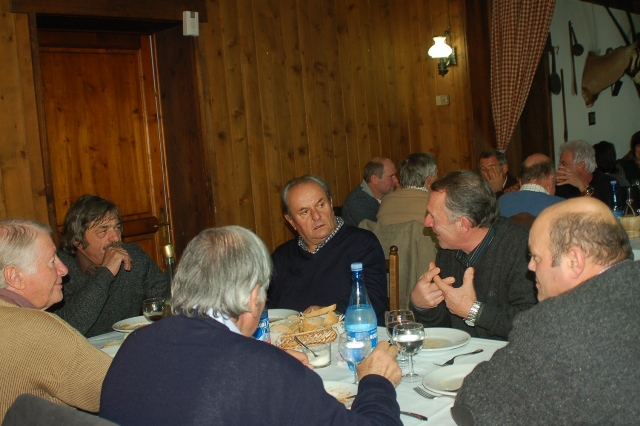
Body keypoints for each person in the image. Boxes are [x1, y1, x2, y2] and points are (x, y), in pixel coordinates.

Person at [100, 226, 403, 426]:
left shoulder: (136, 345)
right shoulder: (265, 372)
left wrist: (266, 361)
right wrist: (376, 380)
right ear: (253, 297)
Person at [452, 198, 638, 425]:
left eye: (536, 257)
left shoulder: (557, 322)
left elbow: (475, 405)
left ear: (574, 261)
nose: (530, 267)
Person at [0, 219, 111, 419]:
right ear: (14, 276)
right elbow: (118, 388)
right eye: (52, 261)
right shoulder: (36, 331)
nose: (64, 270)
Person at [409, 170, 537, 340]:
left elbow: (532, 325)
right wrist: (423, 305)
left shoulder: (522, 249)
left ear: (463, 224)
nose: (426, 222)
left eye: (433, 217)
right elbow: (445, 326)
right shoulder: (448, 250)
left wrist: (474, 311)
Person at [267, 175, 387, 325]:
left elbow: (373, 298)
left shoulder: (362, 243)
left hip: (351, 336)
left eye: (320, 205)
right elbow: (265, 307)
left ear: (330, 203)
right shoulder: (281, 257)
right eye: (304, 212)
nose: (316, 216)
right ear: (291, 221)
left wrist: (326, 315)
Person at [48, 195, 168, 337]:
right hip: (82, 349)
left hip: (130, 344)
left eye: (117, 228)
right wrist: (106, 273)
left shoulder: (134, 256)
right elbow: (67, 328)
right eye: (103, 231)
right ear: (78, 241)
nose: (115, 237)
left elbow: (166, 299)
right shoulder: (59, 269)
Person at [555, 139, 621, 208]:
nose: (559, 168)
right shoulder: (562, 187)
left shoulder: (608, 184)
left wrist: (583, 187)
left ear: (581, 165)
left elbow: (602, 212)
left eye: (564, 164)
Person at [377, 152, 437, 225]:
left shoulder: (386, 201)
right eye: (436, 175)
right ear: (429, 180)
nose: (437, 179)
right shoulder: (433, 204)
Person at [498, 154, 564, 218]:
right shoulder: (562, 206)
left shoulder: (502, 201)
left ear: (520, 182)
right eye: (554, 181)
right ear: (550, 178)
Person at [342, 157, 398, 226]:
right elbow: (379, 230)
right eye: (391, 176)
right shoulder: (357, 201)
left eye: (395, 175)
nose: (396, 180)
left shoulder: (391, 195)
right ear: (374, 179)